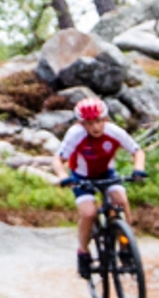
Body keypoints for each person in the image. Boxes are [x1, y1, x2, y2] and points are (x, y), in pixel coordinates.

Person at [54, 95, 141, 279]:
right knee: (88, 213)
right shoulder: (75, 135)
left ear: (105, 119)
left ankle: (126, 247)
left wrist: (138, 169)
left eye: (98, 121)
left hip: (106, 173)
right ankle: (83, 253)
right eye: (89, 123)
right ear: (81, 124)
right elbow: (58, 159)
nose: (95, 127)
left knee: (121, 201)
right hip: (81, 177)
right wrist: (63, 176)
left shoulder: (114, 132)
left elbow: (137, 151)